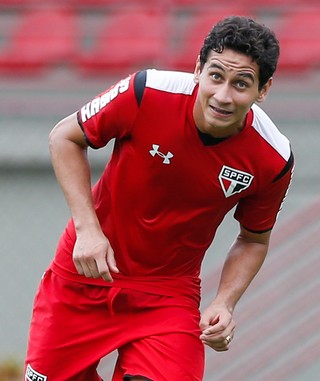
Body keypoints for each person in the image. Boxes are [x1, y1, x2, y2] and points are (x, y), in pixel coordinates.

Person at [24, 15, 294, 381]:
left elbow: (253, 239)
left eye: (241, 84)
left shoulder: (273, 157)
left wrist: (224, 302)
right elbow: (64, 137)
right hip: (86, 274)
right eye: (216, 76)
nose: (223, 95)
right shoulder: (147, 90)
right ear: (198, 69)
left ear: (263, 89)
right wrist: (88, 229)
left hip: (167, 294)